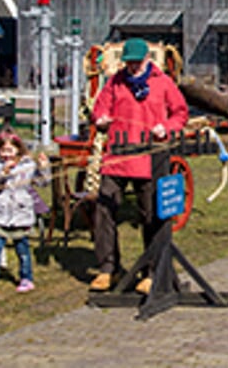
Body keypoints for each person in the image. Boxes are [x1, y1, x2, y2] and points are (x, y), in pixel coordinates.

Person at [90, 38, 189, 293]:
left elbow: (180, 113)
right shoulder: (115, 82)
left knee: (151, 214)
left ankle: (152, 270)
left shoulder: (163, 83)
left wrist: (164, 128)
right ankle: (108, 268)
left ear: (147, 60)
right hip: (118, 157)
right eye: (129, 63)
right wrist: (100, 119)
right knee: (104, 209)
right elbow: (100, 109)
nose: (132, 67)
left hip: (150, 159)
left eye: (137, 63)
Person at [0, 131, 51, 294]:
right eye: (3, 151)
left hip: (20, 214)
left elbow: (43, 182)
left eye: (10, 151)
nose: (7, 155)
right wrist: (3, 172)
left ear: (18, 150)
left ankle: (26, 278)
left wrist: (44, 168)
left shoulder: (28, 165)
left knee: (23, 250)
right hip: (0, 213)